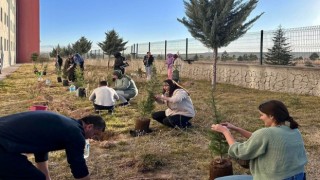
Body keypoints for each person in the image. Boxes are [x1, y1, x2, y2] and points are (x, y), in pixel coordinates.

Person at [211, 100, 307, 180]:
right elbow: (258, 138)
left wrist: (225, 132)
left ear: (271, 116)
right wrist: (236, 128)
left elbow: (240, 152)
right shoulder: (293, 130)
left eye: (261, 115)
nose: (260, 117)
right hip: (298, 177)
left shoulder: (266, 133)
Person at [0, 111, 106, 180]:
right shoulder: (76, 134)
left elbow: (41, 147)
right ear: (89, 127)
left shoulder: (65, 124)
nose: (91, 138)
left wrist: (46, 177)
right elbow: (78, 166)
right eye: (95, 134)